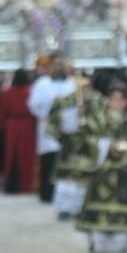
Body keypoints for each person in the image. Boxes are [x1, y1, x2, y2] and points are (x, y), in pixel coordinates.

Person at [76, 79, 127, 253]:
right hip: (102, 172)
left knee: (122, 205)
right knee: (99, 205)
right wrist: (106, 145)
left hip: (122, 172)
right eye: (113, 99)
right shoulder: (98, 119)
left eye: (120, 99)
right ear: (107, 100)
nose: (117, 103)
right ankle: (97, 241)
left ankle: (121, 241)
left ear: (126, 101)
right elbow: (87, 139)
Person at [47, 68, 103, 219]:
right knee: (66, 180)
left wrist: (86, 117)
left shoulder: (97, 100)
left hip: (87, 145)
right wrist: (67, 122)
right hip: (69, 146)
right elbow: (54, 119)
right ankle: (64, 208)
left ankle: (83, 208)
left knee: (83, 180)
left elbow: (103, 123)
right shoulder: (66, 100)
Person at [27, 52, 74, 202]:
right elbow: (33, 105)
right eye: (56, 64)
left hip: (68, 128)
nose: (59, 67)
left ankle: (67, 195)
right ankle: (47, 194)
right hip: (48, 128)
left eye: (62, 64)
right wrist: (50, 103)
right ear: (51, 66)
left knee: (66, 162)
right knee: (49, 161)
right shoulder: (42, 83)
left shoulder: (71, 83)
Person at [0, 68, 38, 193]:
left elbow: (2, 113)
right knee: (27, 155)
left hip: (12, 125)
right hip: (28, 125)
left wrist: (0, 128)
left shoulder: (7, 93)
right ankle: (27, 184)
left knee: (12, 155)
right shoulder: (31, 92)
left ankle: (12, 185)